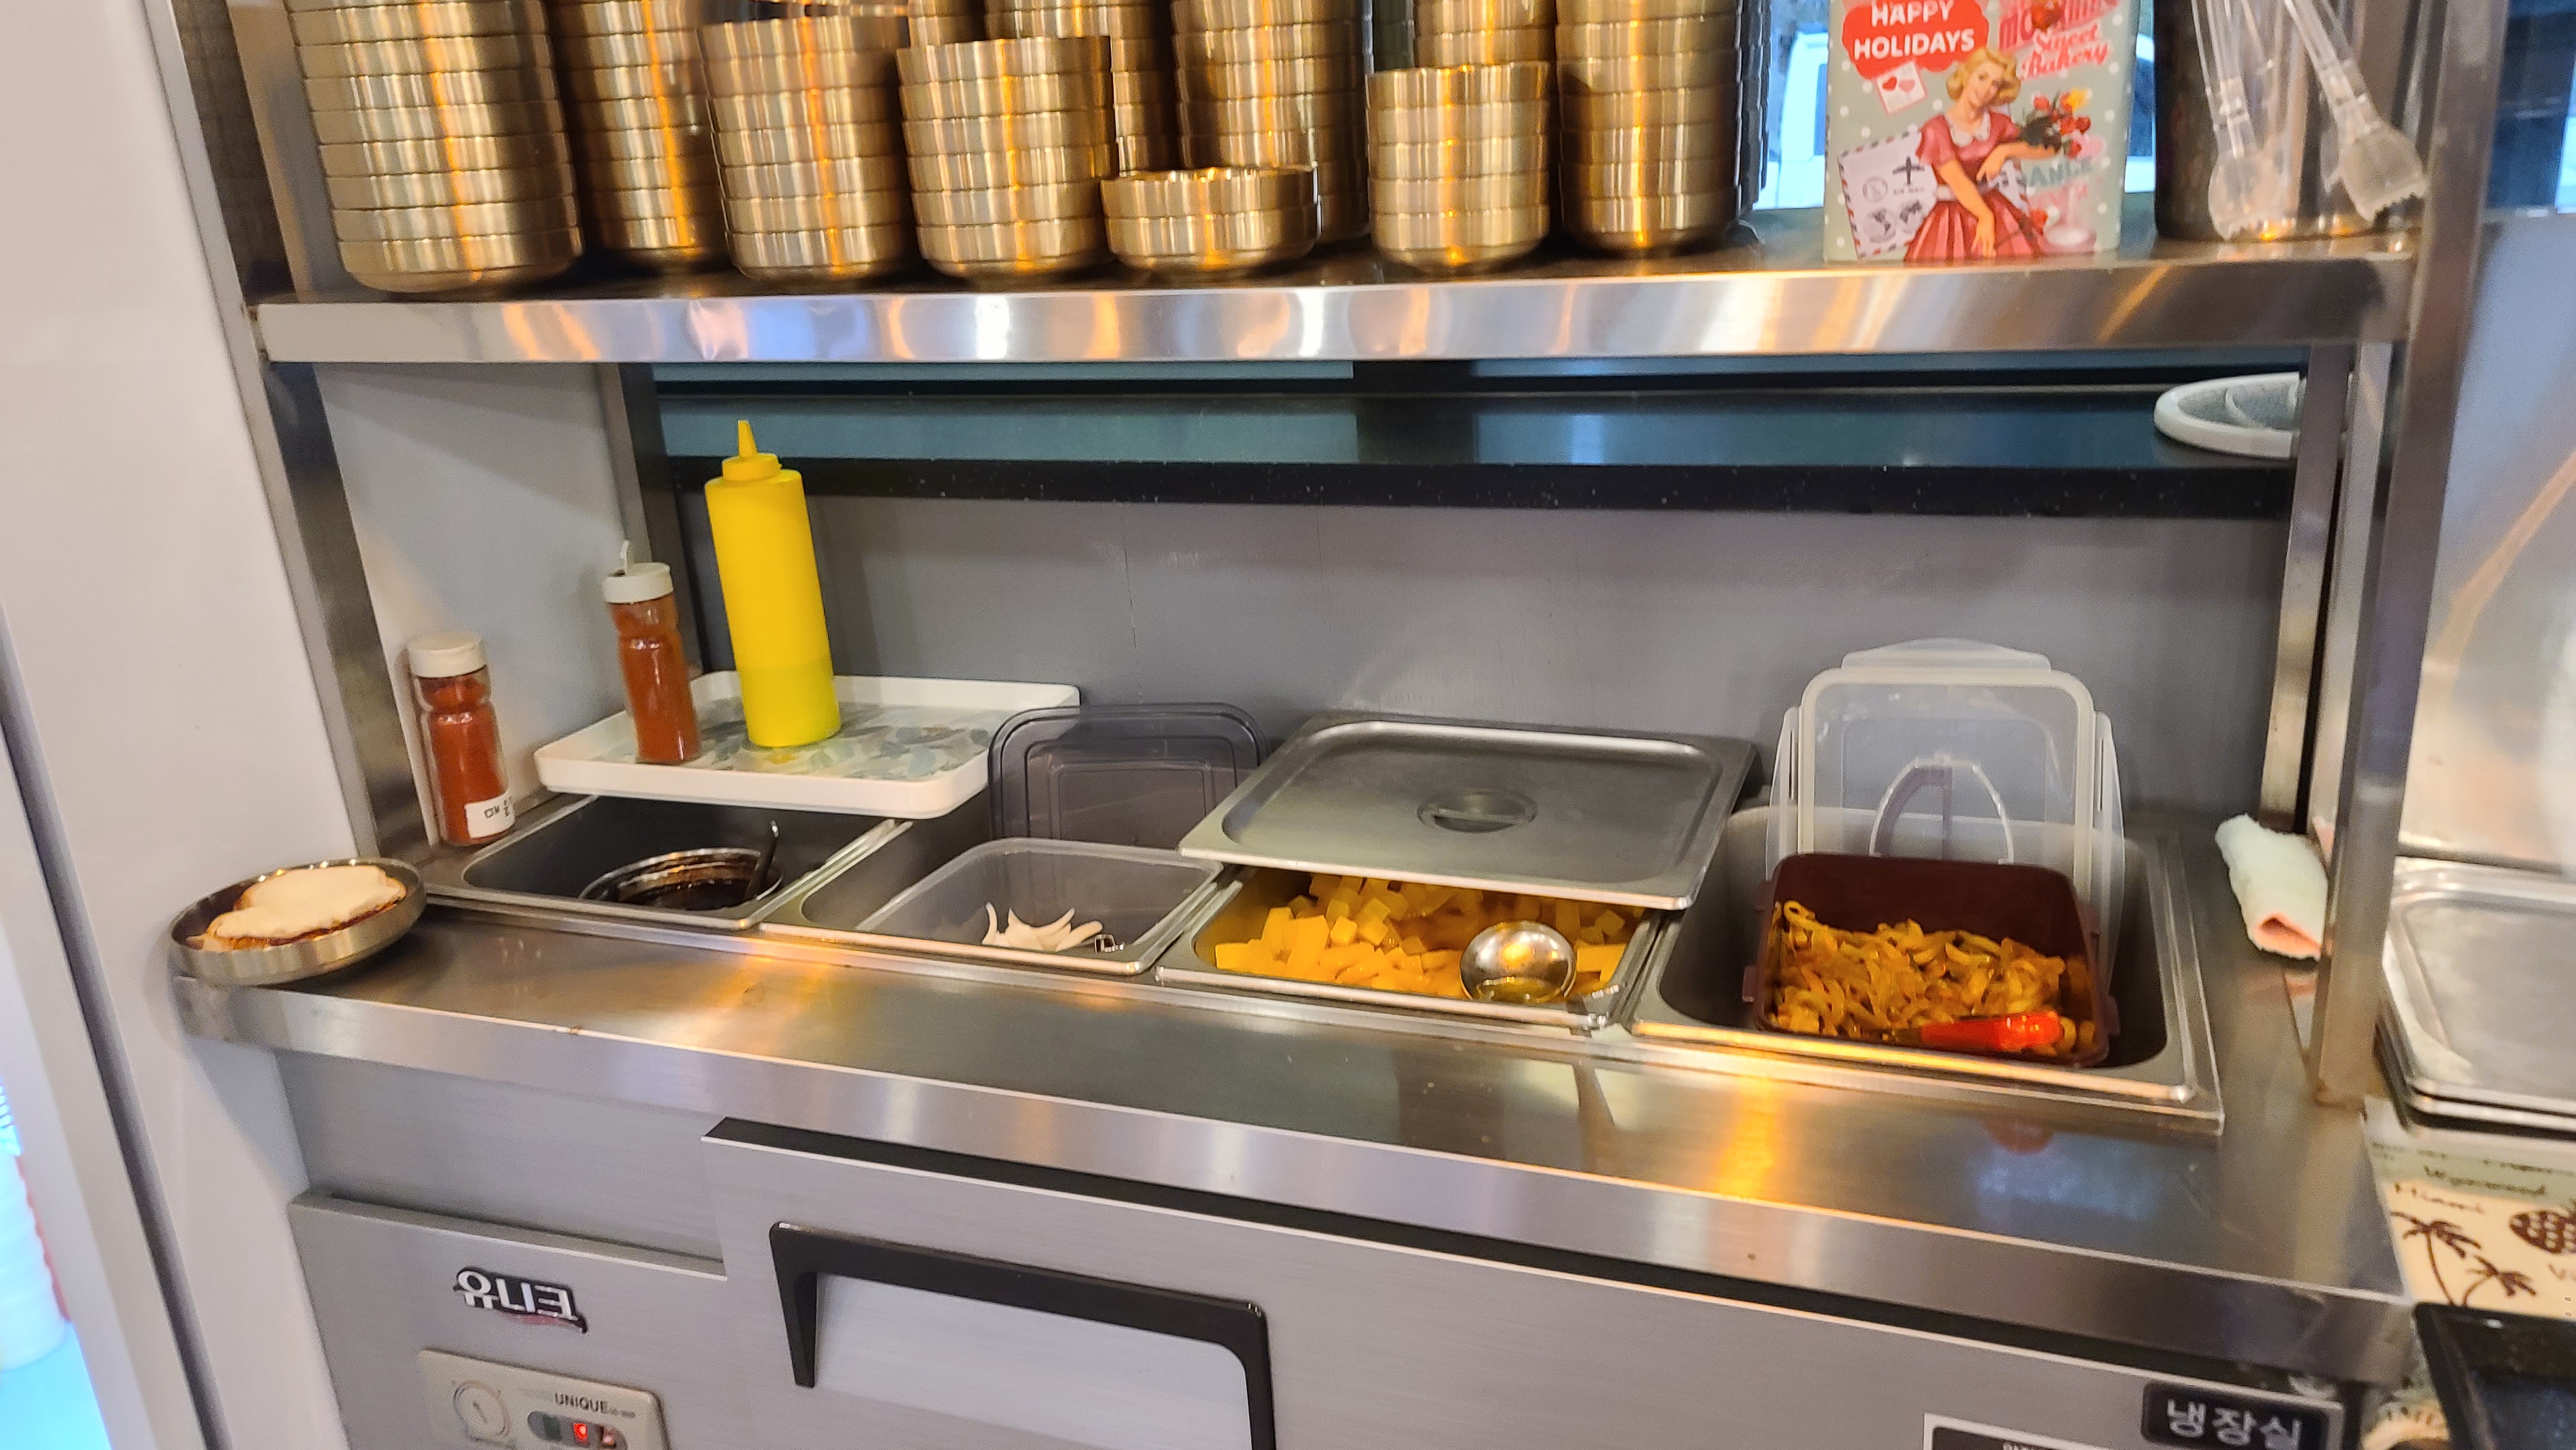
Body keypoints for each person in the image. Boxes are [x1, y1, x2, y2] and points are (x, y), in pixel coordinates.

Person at [1904, 46, 2058, 261]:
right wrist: (1985, 217)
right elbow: (1957, 181)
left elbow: (2048, 148)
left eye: (1995, 84)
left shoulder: (1999, 124)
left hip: (1995, 207)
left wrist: (2004, 151)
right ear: (1966, 76)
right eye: (1982, 77)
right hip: (1950, 218)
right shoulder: (1936, 128)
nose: (1986, 88)